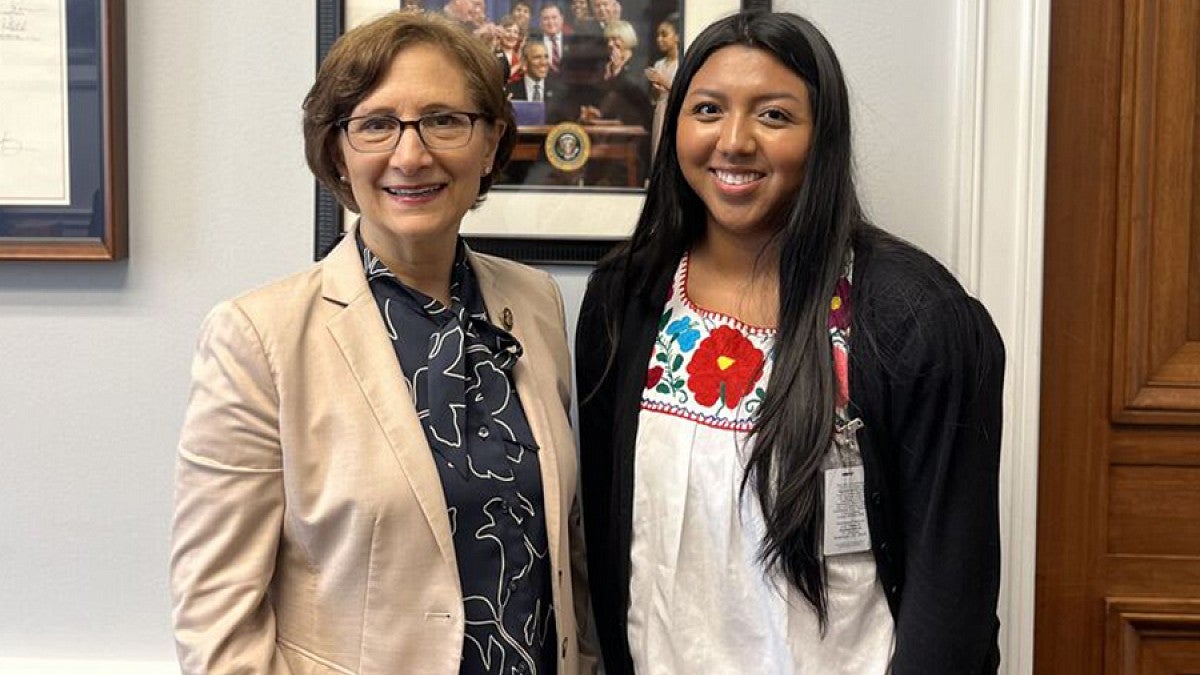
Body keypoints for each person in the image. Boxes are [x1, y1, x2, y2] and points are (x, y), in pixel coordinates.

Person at [576, 10, 1004, 675]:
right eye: (709, 109)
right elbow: (610, 543)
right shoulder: (625, 299)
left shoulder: (915, 317)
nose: (735, 140)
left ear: (822, 138)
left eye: (774, 116)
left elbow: (954, 587)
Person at [171, 11, 597, 675]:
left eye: (443, 120)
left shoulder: (534, 304)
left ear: (489, 144)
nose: (411, 154)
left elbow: (564, 552)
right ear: (337, 150)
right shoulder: (259, 338)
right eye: (376, 124)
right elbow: (215, 619)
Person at [644, 16, 679, 155]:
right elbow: (653, 97)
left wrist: (663, 80)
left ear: (677, 37)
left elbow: (683, 91)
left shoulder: (682, 63)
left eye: (664, 35)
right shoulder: (659, 64)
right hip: (660, 111)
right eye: (658, 35)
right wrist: (655, 87)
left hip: (674, 113)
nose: (659, 39)